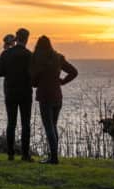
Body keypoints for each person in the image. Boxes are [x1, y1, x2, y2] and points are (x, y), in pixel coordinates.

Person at [28, 35, 78, 165]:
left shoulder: (37, 58)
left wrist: (36, 82)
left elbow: (33, 80)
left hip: (45, 95)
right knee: (53, 126)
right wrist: (62, 81)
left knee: (49, 127)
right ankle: (53, 155)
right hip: (57, 95)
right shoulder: (58, 58)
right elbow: (73, 72)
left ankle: (54, 158)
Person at [0, 27, 32, 161]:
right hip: (26, 93)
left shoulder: (6, 54)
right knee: (26, 124)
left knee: (11, 123)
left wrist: (9, 71)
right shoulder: (29, 55)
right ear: (27, 39)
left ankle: (10, 154)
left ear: (17, 38)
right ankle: (25, 154)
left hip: (10, 92)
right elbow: (34, 75)